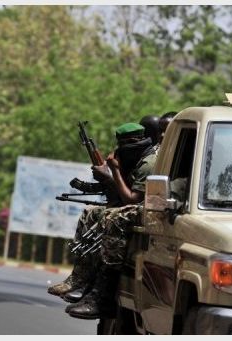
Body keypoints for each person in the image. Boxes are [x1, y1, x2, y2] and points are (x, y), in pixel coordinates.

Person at [47, 123, 157, 304]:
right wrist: (108, 178)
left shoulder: (148, 163)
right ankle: (79, 278)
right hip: (127, 206)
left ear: (133, 141)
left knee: (111, 218)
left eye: (124, 144)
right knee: (89, 214)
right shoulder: (130, 158)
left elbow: (131, 199)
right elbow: (118, 193)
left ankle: (100, 289)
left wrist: (112, 173)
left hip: (143, 211)